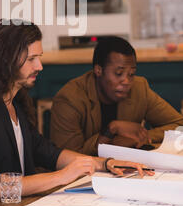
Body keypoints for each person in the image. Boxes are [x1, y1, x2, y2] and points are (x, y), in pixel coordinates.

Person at [0, 23, 153, 206]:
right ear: (6, 58)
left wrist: (104, 164)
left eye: (39, 57)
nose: (39, 66)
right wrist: (62, 176)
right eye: (31, 59)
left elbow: (48, 152)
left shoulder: (14, 104)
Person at [50, 36, 183, 156]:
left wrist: (139, 136)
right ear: (98, 70)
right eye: (119, 73)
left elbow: (179, 125)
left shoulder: (139, 88)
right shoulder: (69, 99)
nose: (126, 81)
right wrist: (112, 130)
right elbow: (65, 157)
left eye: (131, 74)